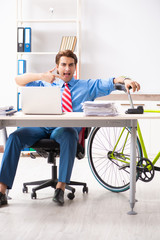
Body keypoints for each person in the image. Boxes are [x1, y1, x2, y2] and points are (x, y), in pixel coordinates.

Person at [0, 50, 140, 206]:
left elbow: (112, 81)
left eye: (70, 65)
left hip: (64, 130)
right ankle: (1, 191)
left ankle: (60, 188)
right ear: (57, 67)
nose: (67, 69)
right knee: (14, 137)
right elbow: (18, 80)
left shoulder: (87, 86)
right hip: (40, 127)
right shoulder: (46, 82)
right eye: (63, 65)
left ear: (75, 68)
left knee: (67, 132)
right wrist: (41, 76)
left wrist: (126, 80)